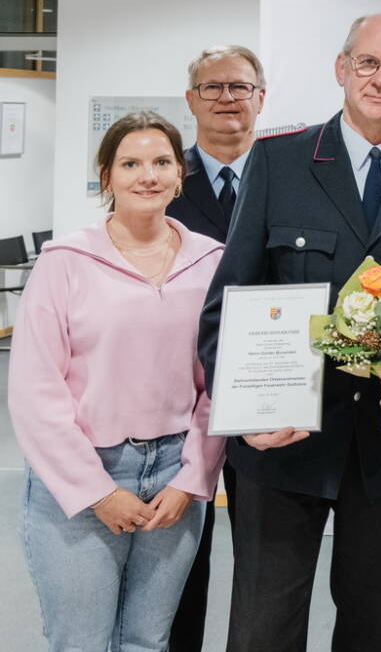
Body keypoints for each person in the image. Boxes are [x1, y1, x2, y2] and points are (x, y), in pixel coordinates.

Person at [196, 13, 381, 651]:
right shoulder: (279, 161)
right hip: (282, 442)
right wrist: (245, 411)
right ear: (341, 68)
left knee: (372, 627)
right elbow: (226, 306)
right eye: (367, 63)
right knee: (262, 630)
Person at [10, 110, 225, 651]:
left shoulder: (210, 263)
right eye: (130, 163)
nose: (146, 175)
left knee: (148, 641)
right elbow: (37, 392)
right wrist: (98, 492)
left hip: (174, 481)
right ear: (107, 177)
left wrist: (191, 479)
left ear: (181, 175)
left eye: (161, 162)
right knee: (82, 641)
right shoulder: (65, 263)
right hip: (86, 475)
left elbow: (216, 387)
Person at [166, 44, 266, 652]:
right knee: (180, 554)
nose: (227, 98)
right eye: (212, 88)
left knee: (264, 558)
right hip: (181, 391)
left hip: (266, 388)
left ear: (261, 96)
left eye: (240, 87)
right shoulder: (160, 175)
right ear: (190, 99)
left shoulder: (290, 174)